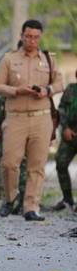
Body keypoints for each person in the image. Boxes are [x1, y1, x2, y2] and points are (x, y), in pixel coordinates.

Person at [0, 19, 63, 221]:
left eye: (35, 37)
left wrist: (47, 90)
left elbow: (59, 83)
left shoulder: (49, 59)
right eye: (28, 36)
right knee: (9, 163)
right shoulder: (9, 59)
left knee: (37, 165)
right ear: (22, 36)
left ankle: (31, 207)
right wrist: (16, 90)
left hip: (41, 118)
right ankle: (10, 199)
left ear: (40, 37)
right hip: (15, 118)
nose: (32, 40)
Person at [53, 69, 77, 211]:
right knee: (60, 163)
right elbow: (61, 108)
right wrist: (66, 128)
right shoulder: (71, 89)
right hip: (70, 135)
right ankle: (67, 199)